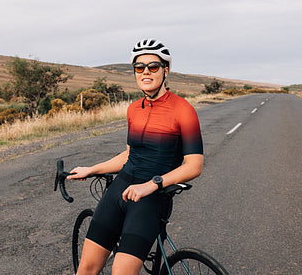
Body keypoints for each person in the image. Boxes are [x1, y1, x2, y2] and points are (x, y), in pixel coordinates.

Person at [67, 39, 204, 275]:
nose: (146, 72)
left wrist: (151, 185)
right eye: (140, 68)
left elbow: (194, 165)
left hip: (151, 198)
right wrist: (92, 169)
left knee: (121, 272)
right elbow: (130, 155)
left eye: (153, 66)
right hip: (120, 189)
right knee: (86, 268)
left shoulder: (183, 109)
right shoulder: (133, 109)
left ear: (165, 70)